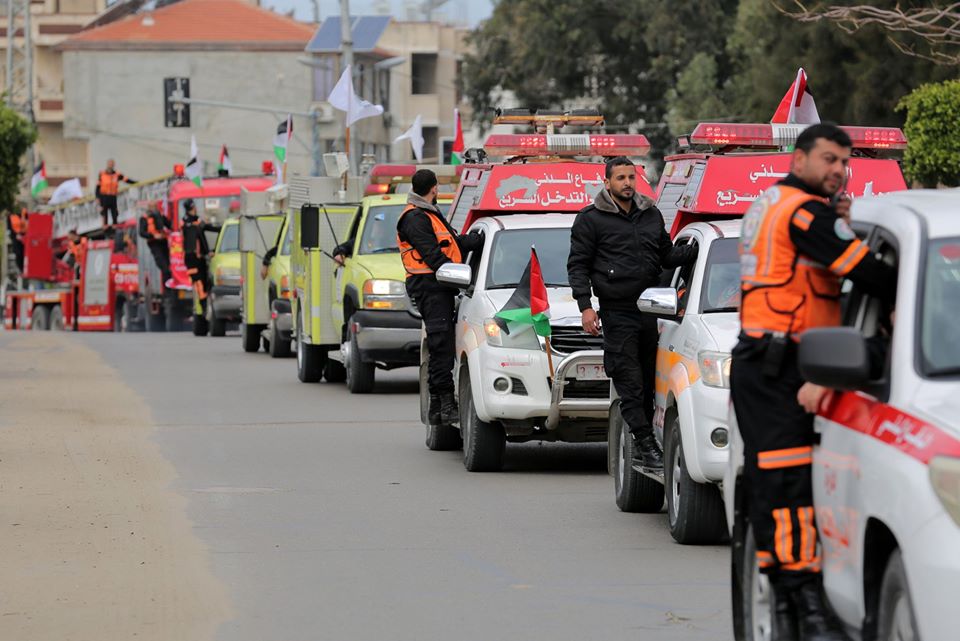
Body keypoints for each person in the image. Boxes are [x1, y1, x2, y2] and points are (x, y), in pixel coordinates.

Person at [731, 123, 895, 641]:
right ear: (799, 159)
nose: (838, 171)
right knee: (785, 487)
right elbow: (872, 276)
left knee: (776, 488)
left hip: (781, 360)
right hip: (779, 366)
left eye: (844, 162)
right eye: (828, 160)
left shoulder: (773, 202)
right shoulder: (804, 212)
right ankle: (801, 604)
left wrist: (842, 225)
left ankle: (788, 599)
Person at [567, 156, 697, 470]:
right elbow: (577, 266)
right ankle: (645, 445)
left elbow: (666, 256)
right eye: (620, 178)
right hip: (617, 312)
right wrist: (585, 306)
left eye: (631, 177)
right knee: (630, 384)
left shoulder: (651, 214)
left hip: (652, 310)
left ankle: (647, 438)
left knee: (650, 385)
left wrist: (693, 251)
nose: (627, 183)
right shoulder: (591, 219)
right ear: (607, 182)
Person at [396, 169, 484, 426]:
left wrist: (476, 241)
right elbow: (434, 256)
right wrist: (458, 276)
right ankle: (445, 405)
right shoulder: (415, 217)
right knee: (441, 347)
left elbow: (453, 244)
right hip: (430, 287)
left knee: (441, 345)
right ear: (433, 188)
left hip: (437, 287)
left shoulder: (427, 214)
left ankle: (437, 409)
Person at [181, 199, 220, 313]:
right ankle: (203, 307)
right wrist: (205, 252)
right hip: (192, 258)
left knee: (204, 281)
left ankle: (204, 305)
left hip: (200, 258)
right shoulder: (186, 223)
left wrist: (221, 227)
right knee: (198, 282)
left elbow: (209, 228)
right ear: (192, 208)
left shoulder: (196, 220)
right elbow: (193, 240)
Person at [138, 203, 173, 285]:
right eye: (152, 206)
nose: (154, 208)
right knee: (164, 267)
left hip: (164, 242)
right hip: (154, 244)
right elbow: (141, 232)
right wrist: (153, 235)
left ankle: (171, 289)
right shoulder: (144, 218)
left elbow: (170, 225)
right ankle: (168, 290)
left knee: (169, 266)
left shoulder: (160, 216)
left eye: (154, 206)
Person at [96, 159, 135, 227]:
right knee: (104, 214)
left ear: (113, 165)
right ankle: (106, 228)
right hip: (104, 196)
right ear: (107, 164)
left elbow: (126, 180)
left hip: (113, 196)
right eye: (109, 164)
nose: (110, 165)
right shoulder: (102, 174)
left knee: (114, 212)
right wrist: (97, 197)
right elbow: (97, 187)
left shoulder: (117, 174)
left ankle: (115, 227)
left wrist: (136, 182)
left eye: (112, 164)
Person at [7, 208, 27, 273]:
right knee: (19, 254)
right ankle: (23, 270)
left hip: (26, 238)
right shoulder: (10, 217)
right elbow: (10, 230)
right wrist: (15, 236)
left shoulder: (24, 213)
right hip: (18, 240)